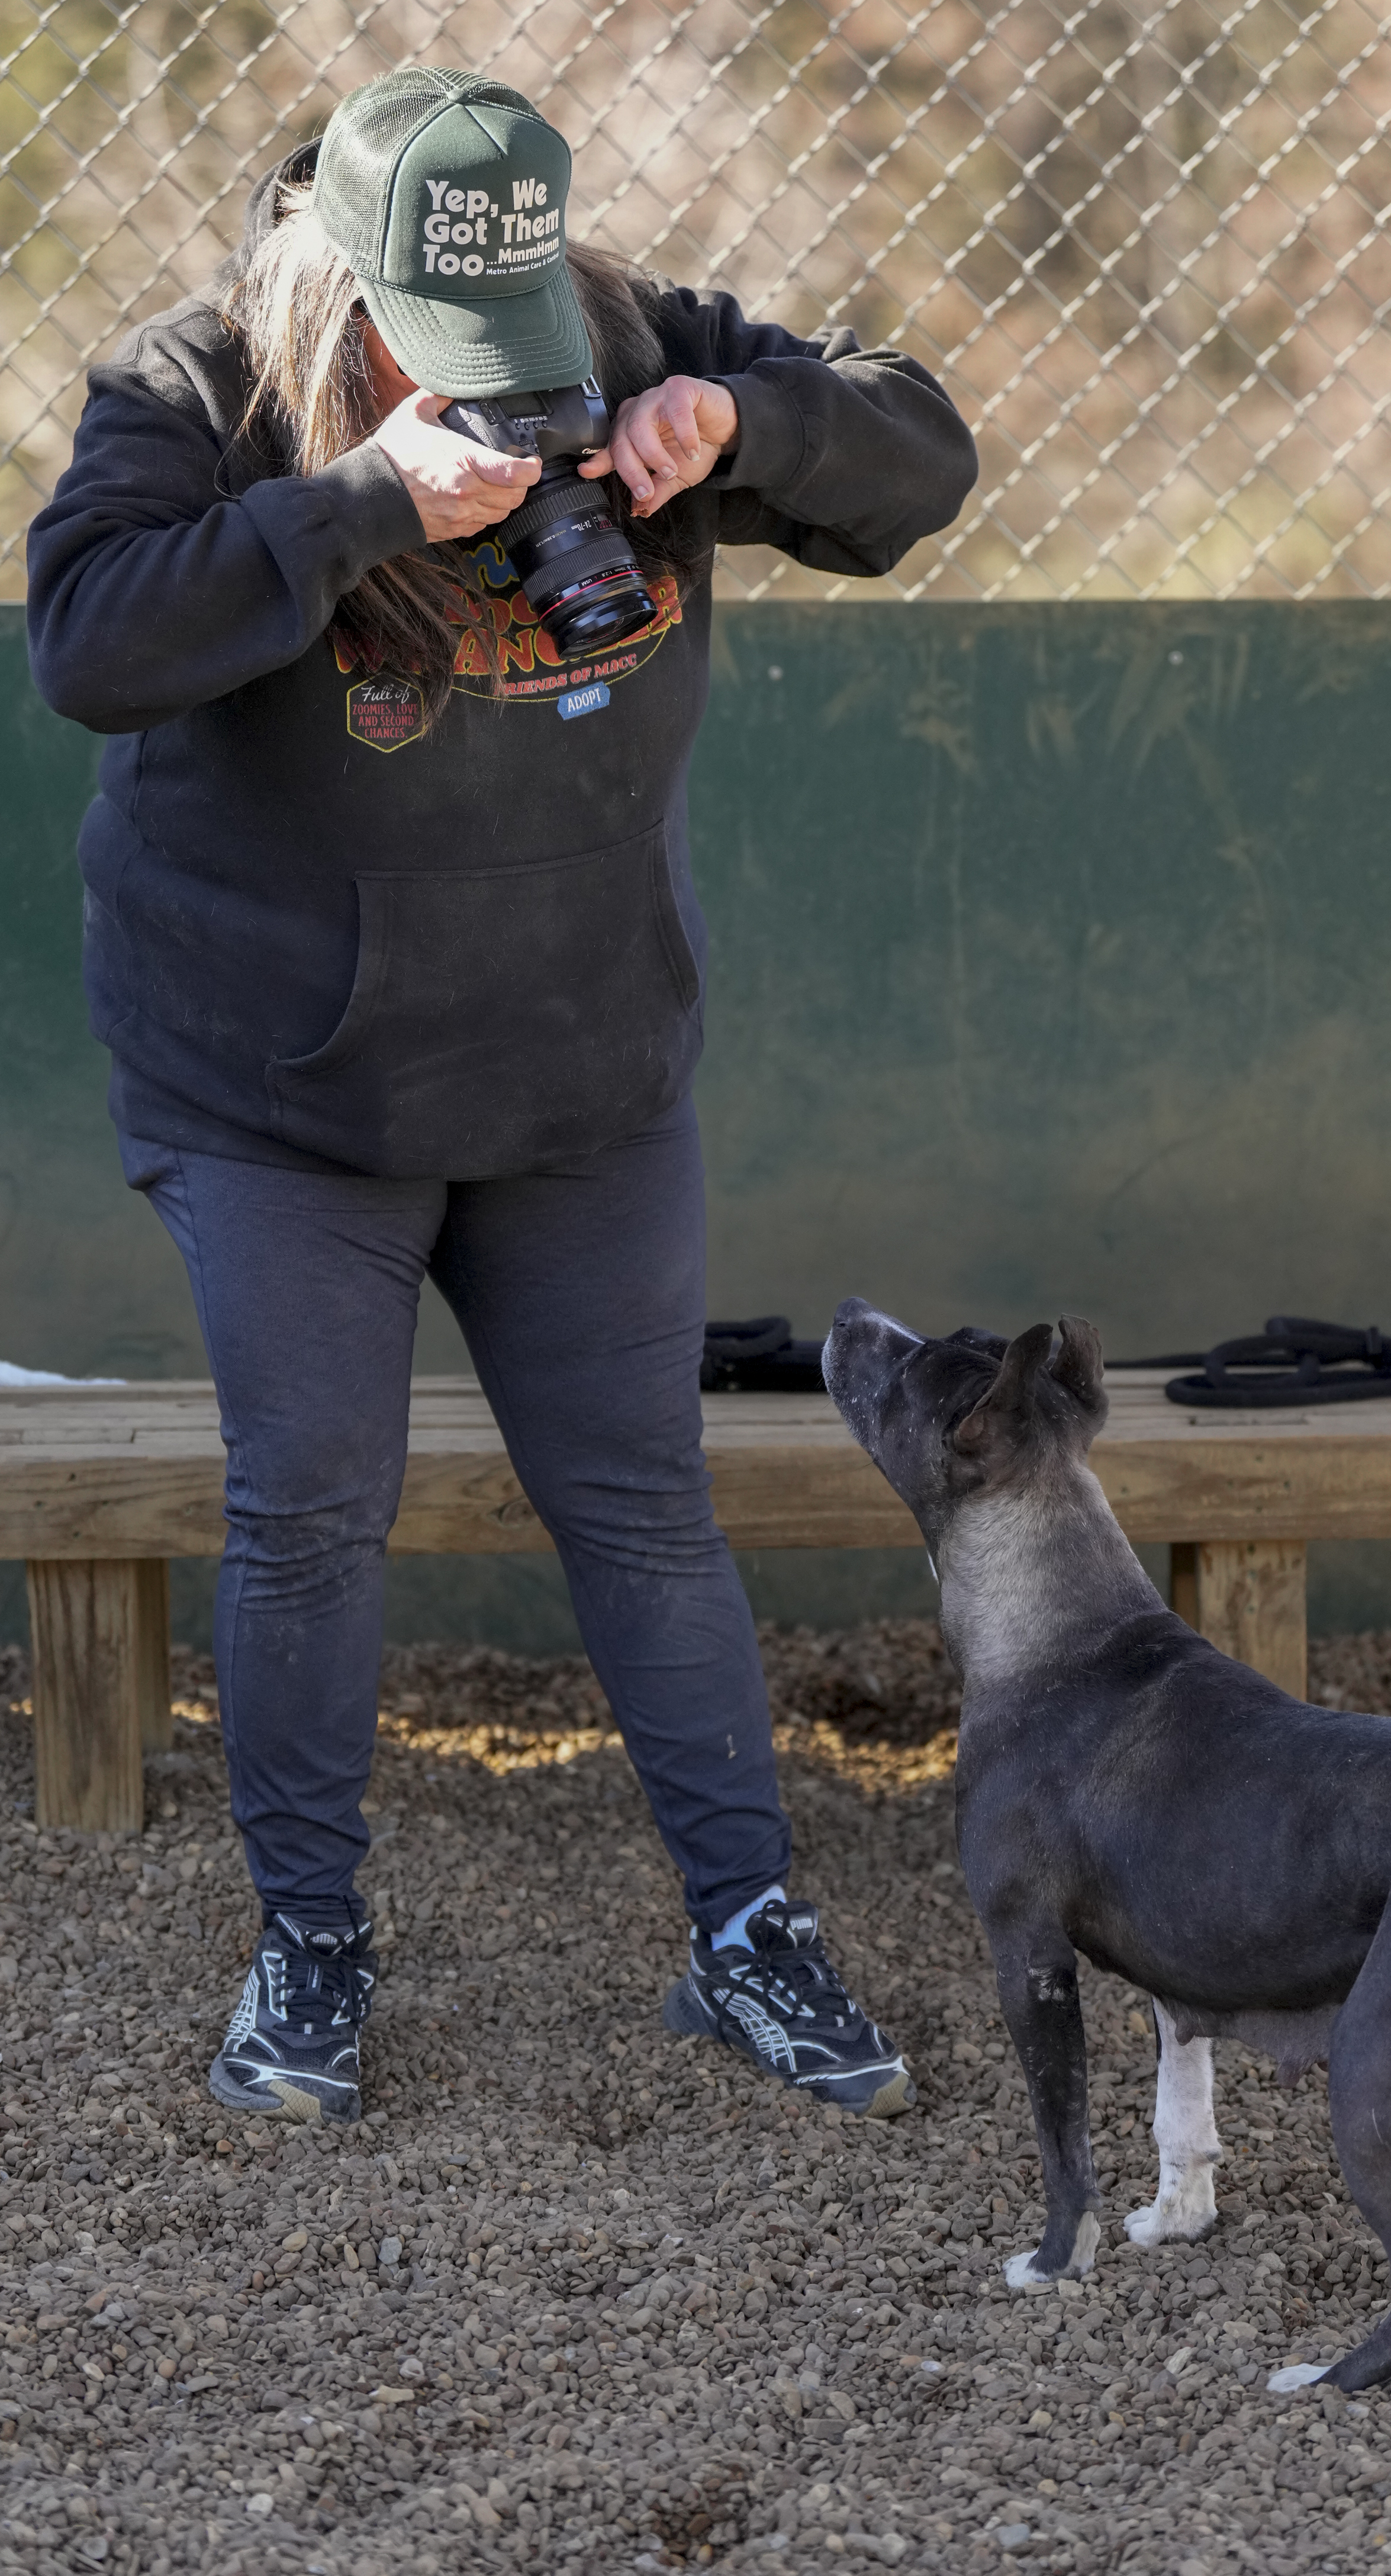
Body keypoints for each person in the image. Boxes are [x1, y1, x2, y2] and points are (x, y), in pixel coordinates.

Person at [26, 66, 976, 2127]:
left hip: (576, 1074)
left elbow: (923, 453)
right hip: (277, 1082)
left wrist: (744, 428)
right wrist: (367, 497)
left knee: (641, 1501)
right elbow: (85, 640)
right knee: (312, 1515)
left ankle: (747, 1931)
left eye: (520, 349)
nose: (513, 402)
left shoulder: (635, 336)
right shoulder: (196, 388)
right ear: (330, 273)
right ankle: (312, 1938)